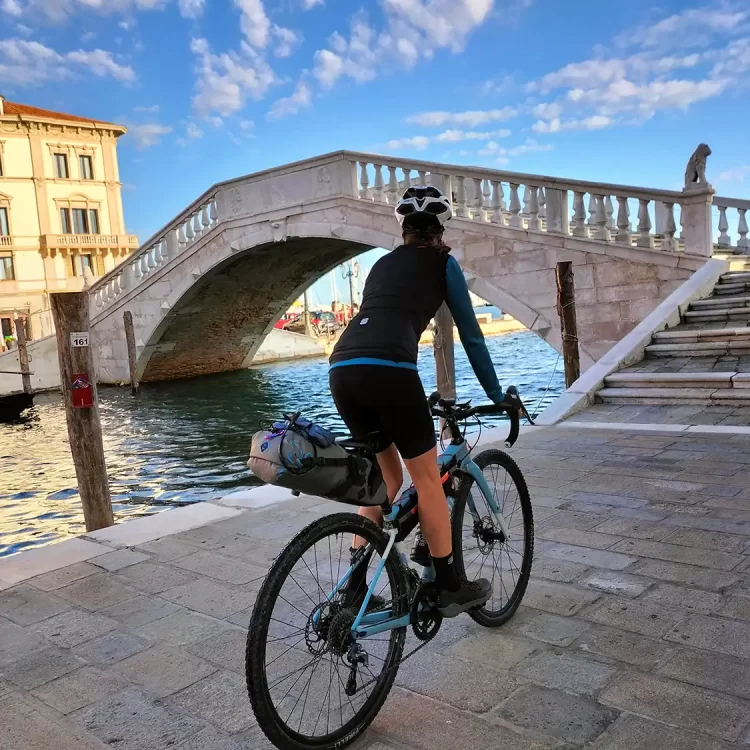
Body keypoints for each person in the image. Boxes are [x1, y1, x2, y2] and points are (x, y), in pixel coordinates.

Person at [329, 185, 506, 617]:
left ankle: (353, 588)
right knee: (427, 479)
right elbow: (472, 334)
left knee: (384, 479)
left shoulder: (381, 265)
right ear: (439, 231)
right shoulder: (444, 263)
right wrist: (496, 395)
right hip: (390, 369)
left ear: (404, 230)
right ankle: (449, 587)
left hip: (342, 369)